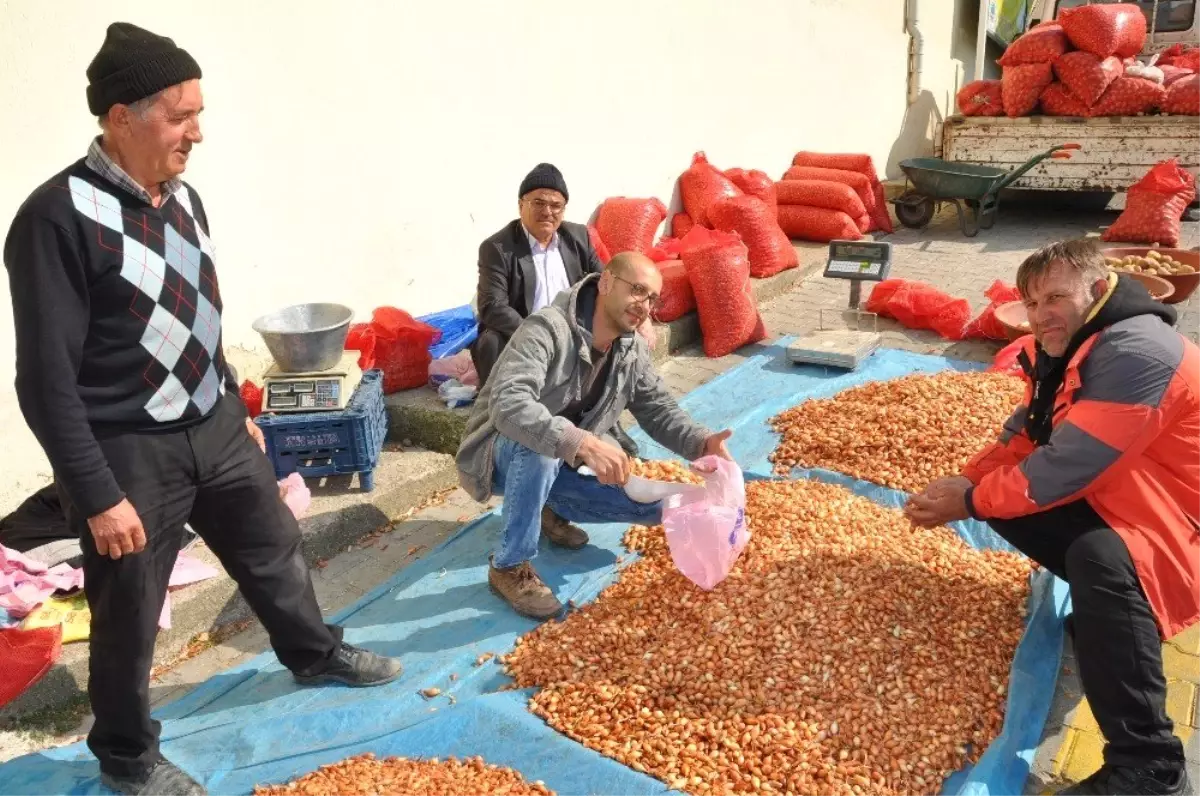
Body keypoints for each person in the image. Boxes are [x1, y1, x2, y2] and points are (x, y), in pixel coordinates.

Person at [3, 23, 401, 796]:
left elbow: (194, 313)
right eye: (181, 115)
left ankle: (314, 653)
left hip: (213, 424)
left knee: (273, 542)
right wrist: (95, 493)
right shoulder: (57, 219)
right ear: (122, 116)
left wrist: (230, 397)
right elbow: (43, 382)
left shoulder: (182, 200)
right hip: (129, 449)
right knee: (128, 607)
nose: (198, 131)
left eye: (198, 111)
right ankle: (126, 753)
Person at [905, 239, 1200, 796]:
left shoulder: (1138, 353)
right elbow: (1030, 430)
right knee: (1006, 503)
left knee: (1101, 557)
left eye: (1057, 297)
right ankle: (1107, 615)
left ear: (1096, 289)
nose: (1044, 315)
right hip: (1136, 488)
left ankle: (1150, 767)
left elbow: (1068, 465)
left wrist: (966, 503)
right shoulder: (1072, 343)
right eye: (1034, 303)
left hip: (1184, 515)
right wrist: (968, 480)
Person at [456, 252, 733, 619]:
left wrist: (703, 443)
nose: (644, 305)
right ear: (605, 282)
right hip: (500, 455)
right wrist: (584, 443)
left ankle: (548, 507)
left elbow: (658, 408)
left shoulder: (630, 347)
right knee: (541, 451)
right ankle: (510, 565)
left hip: (563, 459)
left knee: (653, 505)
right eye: (636, 290)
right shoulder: (547, 329)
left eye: (652, 298)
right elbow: (509, 404)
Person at [470, 163, 648, 455]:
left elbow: (607, 283)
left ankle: (606, 421)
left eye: (556, 205)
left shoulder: (578, 237)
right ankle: (504, 424)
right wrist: (541, 335)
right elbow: (493, 307)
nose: (548, 212)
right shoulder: (498, 247)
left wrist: (636, 310)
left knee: (617, 333)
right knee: (489, 341)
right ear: (521, 205)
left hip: (577, 329)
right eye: (538, 203)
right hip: (525, 331)